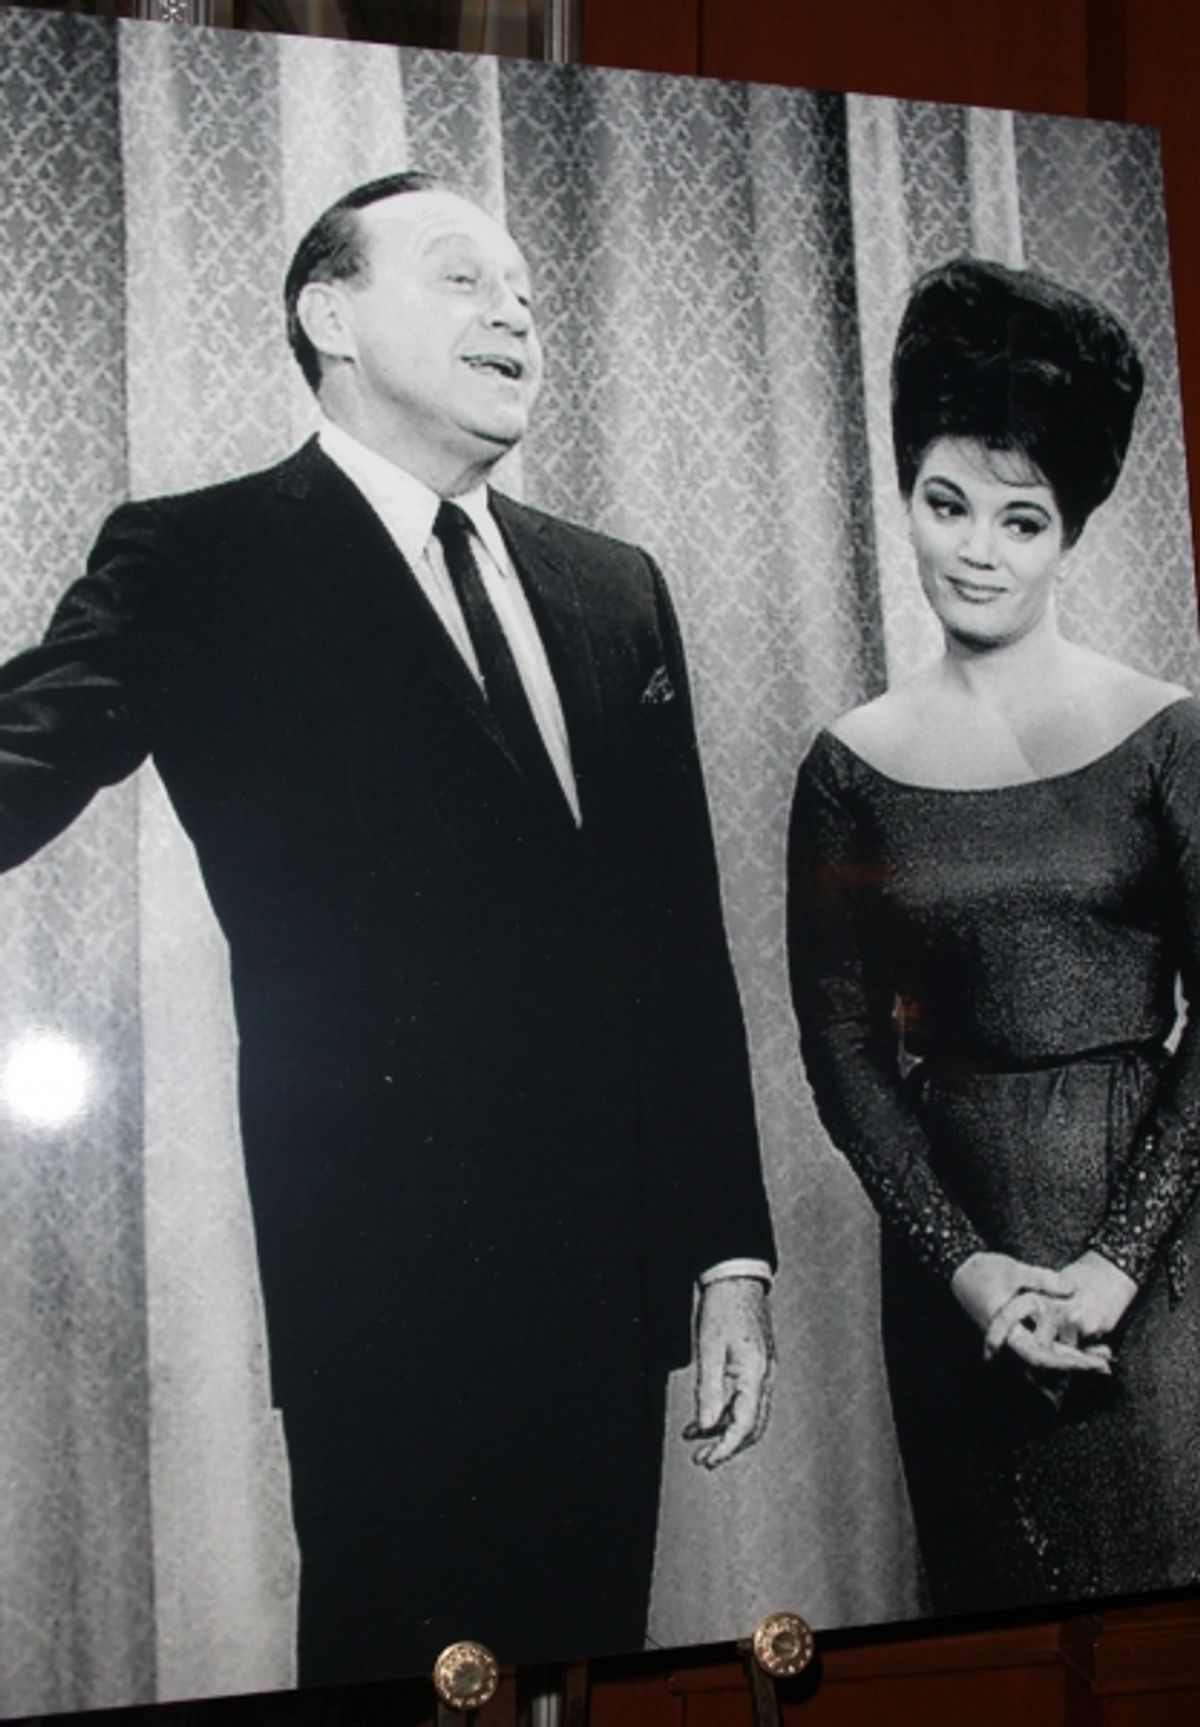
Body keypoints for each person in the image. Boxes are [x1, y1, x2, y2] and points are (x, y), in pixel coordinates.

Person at [0, 171, 775, 1684]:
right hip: (386, 1291)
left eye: (529, 295)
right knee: (403, 1683)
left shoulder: (615, 588)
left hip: (609, 1297)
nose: (515, 314)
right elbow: (25, 749)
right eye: (463, 279)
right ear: (330, 314)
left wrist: (729, 1252)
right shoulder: (198, 557)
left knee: (577, 1679)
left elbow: (682, 943)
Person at [787, 257, 1200, 1615]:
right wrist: (972, 1276)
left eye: (1019, 521)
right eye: (944, 503)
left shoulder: (1167, 736)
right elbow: (842, 1053)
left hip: (1162, 1242)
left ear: (1068, 530)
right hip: (953, 1251)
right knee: (997, 1633)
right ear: (904, 501)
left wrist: (1115, 1262)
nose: (975, 548)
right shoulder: (849, 767)